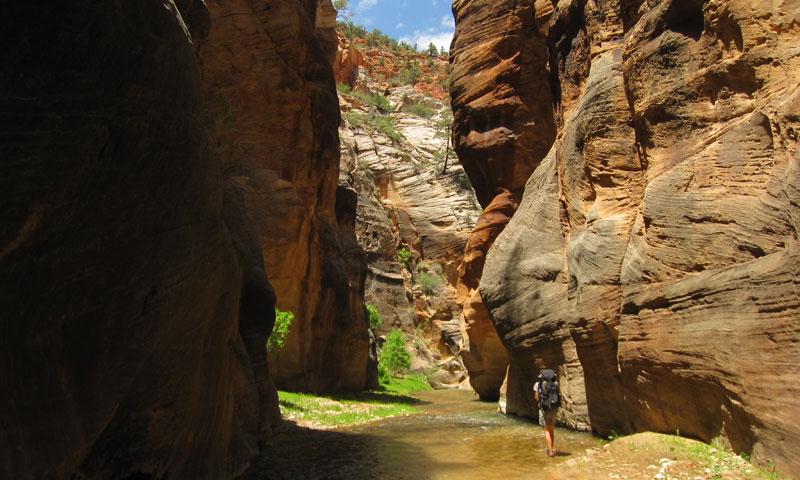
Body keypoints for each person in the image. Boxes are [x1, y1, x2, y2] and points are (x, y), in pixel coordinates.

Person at [533, 368, 561, 457]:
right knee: (551, 429)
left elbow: (536, 398)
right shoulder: (555, 384)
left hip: (544, 409)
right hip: (554, 408)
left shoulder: (538, 384)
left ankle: (550, 451)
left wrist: (541, 401)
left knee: (546, 430)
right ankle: (551, 447)